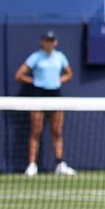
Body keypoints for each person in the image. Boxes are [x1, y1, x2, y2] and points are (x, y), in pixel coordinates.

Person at [14, 33, 75, 176]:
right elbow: (19, 75)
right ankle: (32, 165)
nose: (49, 43)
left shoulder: (60, 57)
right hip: (39, 95)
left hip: (55, 95)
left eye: (51, 40)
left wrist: (58, 81)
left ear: (55, 42)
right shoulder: (35, 57)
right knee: (36, 131)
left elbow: (69, 73)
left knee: (57, 131)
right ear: (42, 42)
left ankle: (60, 164)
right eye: (47, 40)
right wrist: (36, 82)